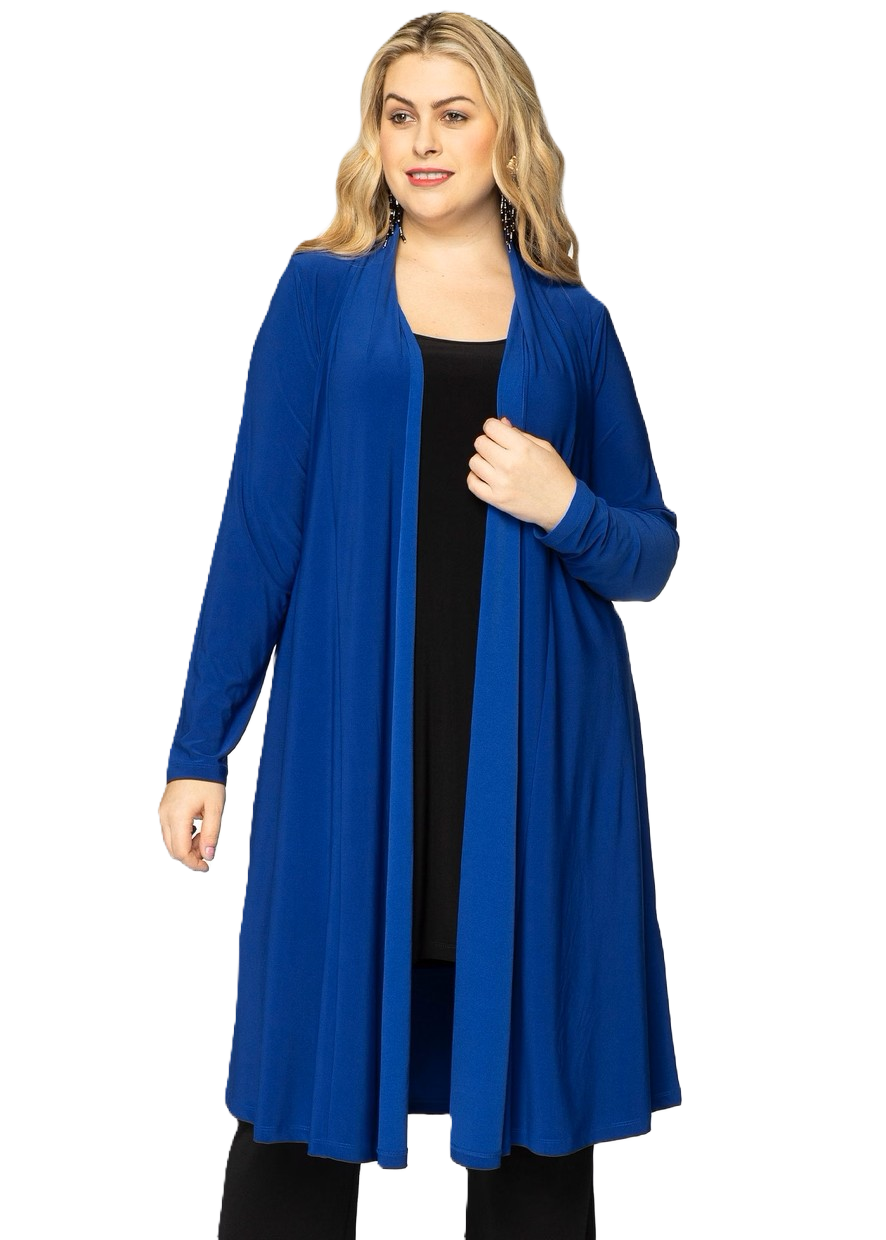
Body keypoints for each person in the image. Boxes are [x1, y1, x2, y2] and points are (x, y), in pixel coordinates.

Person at [158, 11, 682, 1238]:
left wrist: (563, 502)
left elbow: (649, 550)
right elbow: (259, 531)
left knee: (535, 1116)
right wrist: (199, 744)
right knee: (298, 1093)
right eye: (399, 116)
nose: (422, 143)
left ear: (508, 133)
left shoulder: (572, 322)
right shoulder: (320, 293)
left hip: (535, 759)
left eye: (453, 115)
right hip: (351, 752)